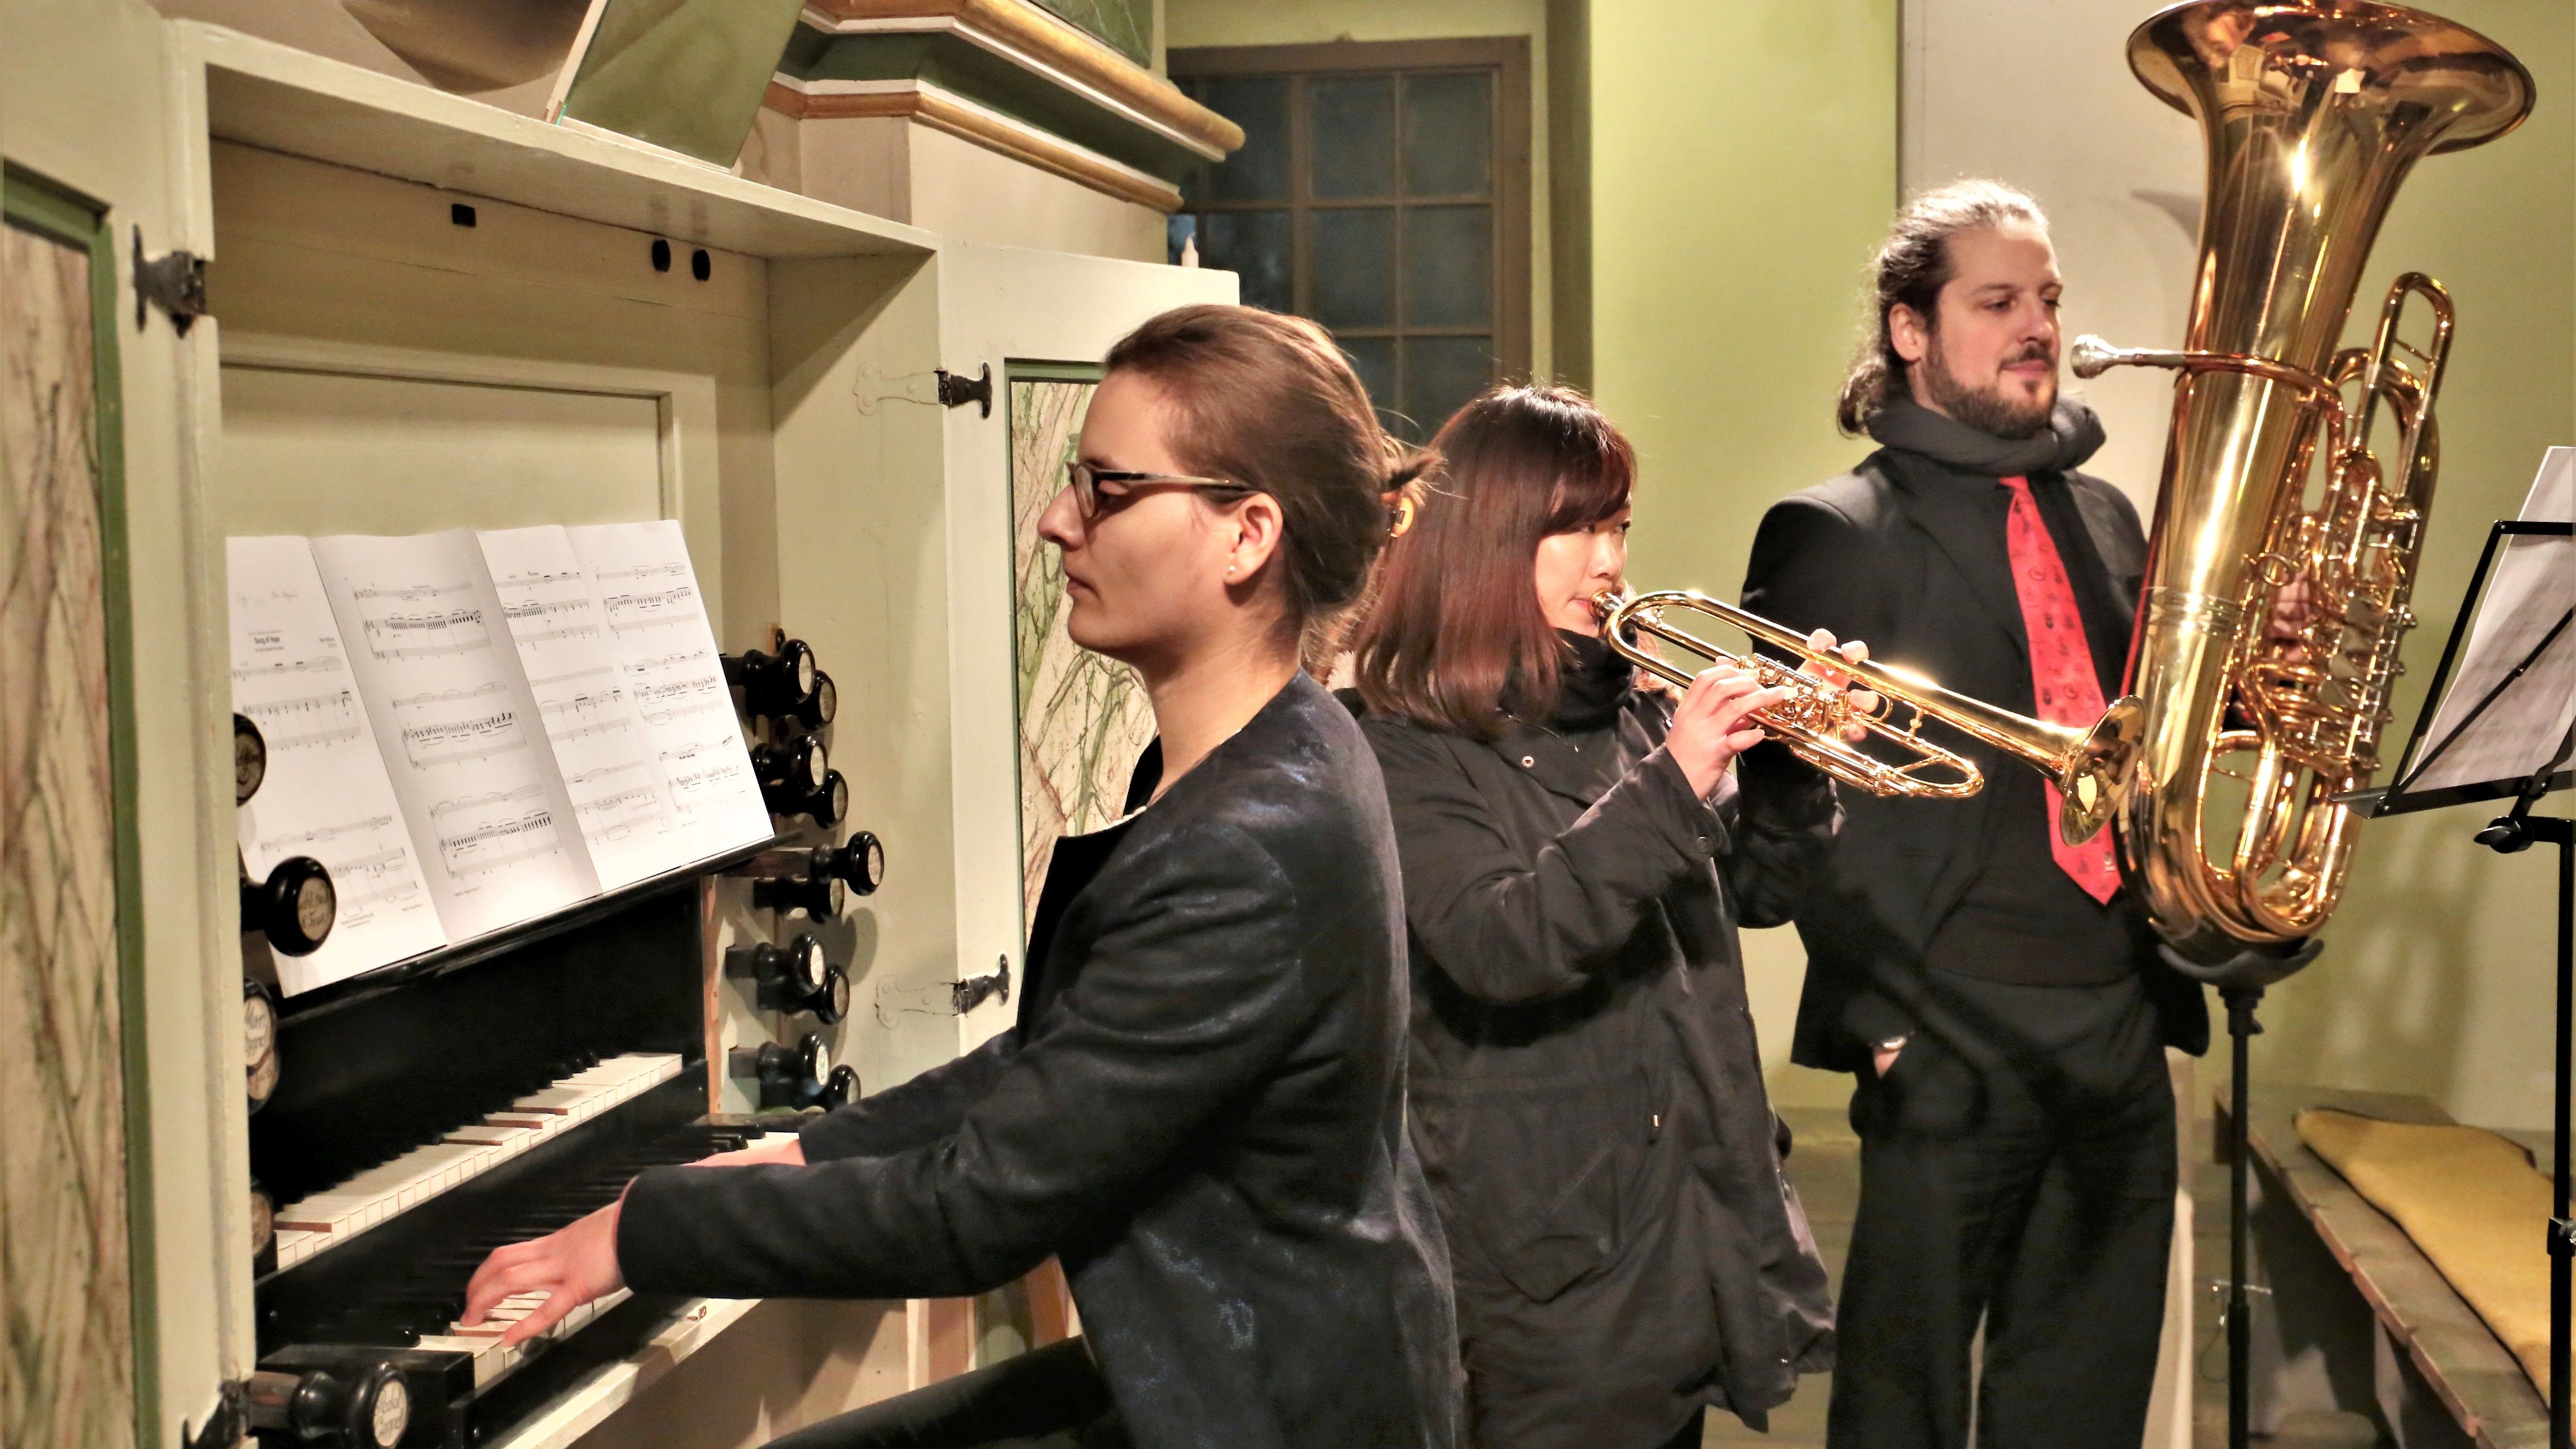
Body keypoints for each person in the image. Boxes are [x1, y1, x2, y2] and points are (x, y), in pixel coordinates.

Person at [460, 304, 1462, 1449]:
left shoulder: (1251, 839)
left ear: (1246, 536)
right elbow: (1067, 1058)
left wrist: (643, 1229)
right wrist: (809, 1147)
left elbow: (976, 1213)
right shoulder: (1284, 745)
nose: (1055, 522)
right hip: (1245, 1363)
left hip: (1261, 1406)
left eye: (1107, 489)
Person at [1738, 179, 2209, 1449]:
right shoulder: (1834, 529)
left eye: (2047, 298)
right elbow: (1789, 801)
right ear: (1909, 328)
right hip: (1946, 1026)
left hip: (2116, 1012)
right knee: (1905, 1408)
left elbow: (2143, 747)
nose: (2037, 325)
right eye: (1998, 300)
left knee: (2085, 1401)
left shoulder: (2105, 514)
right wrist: (1885, 1017)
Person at [1347, 385, 1863, 1449]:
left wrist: (1793, 773)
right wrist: (1679, 780)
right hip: (1545, 1269)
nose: (1610, 562)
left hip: (1684, 1231)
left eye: (1618, 524)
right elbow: (1503, 942)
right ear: (1489, 541)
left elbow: (1755, 901)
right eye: (1575, 528)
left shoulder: (1633, 711)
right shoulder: (1400, 743)